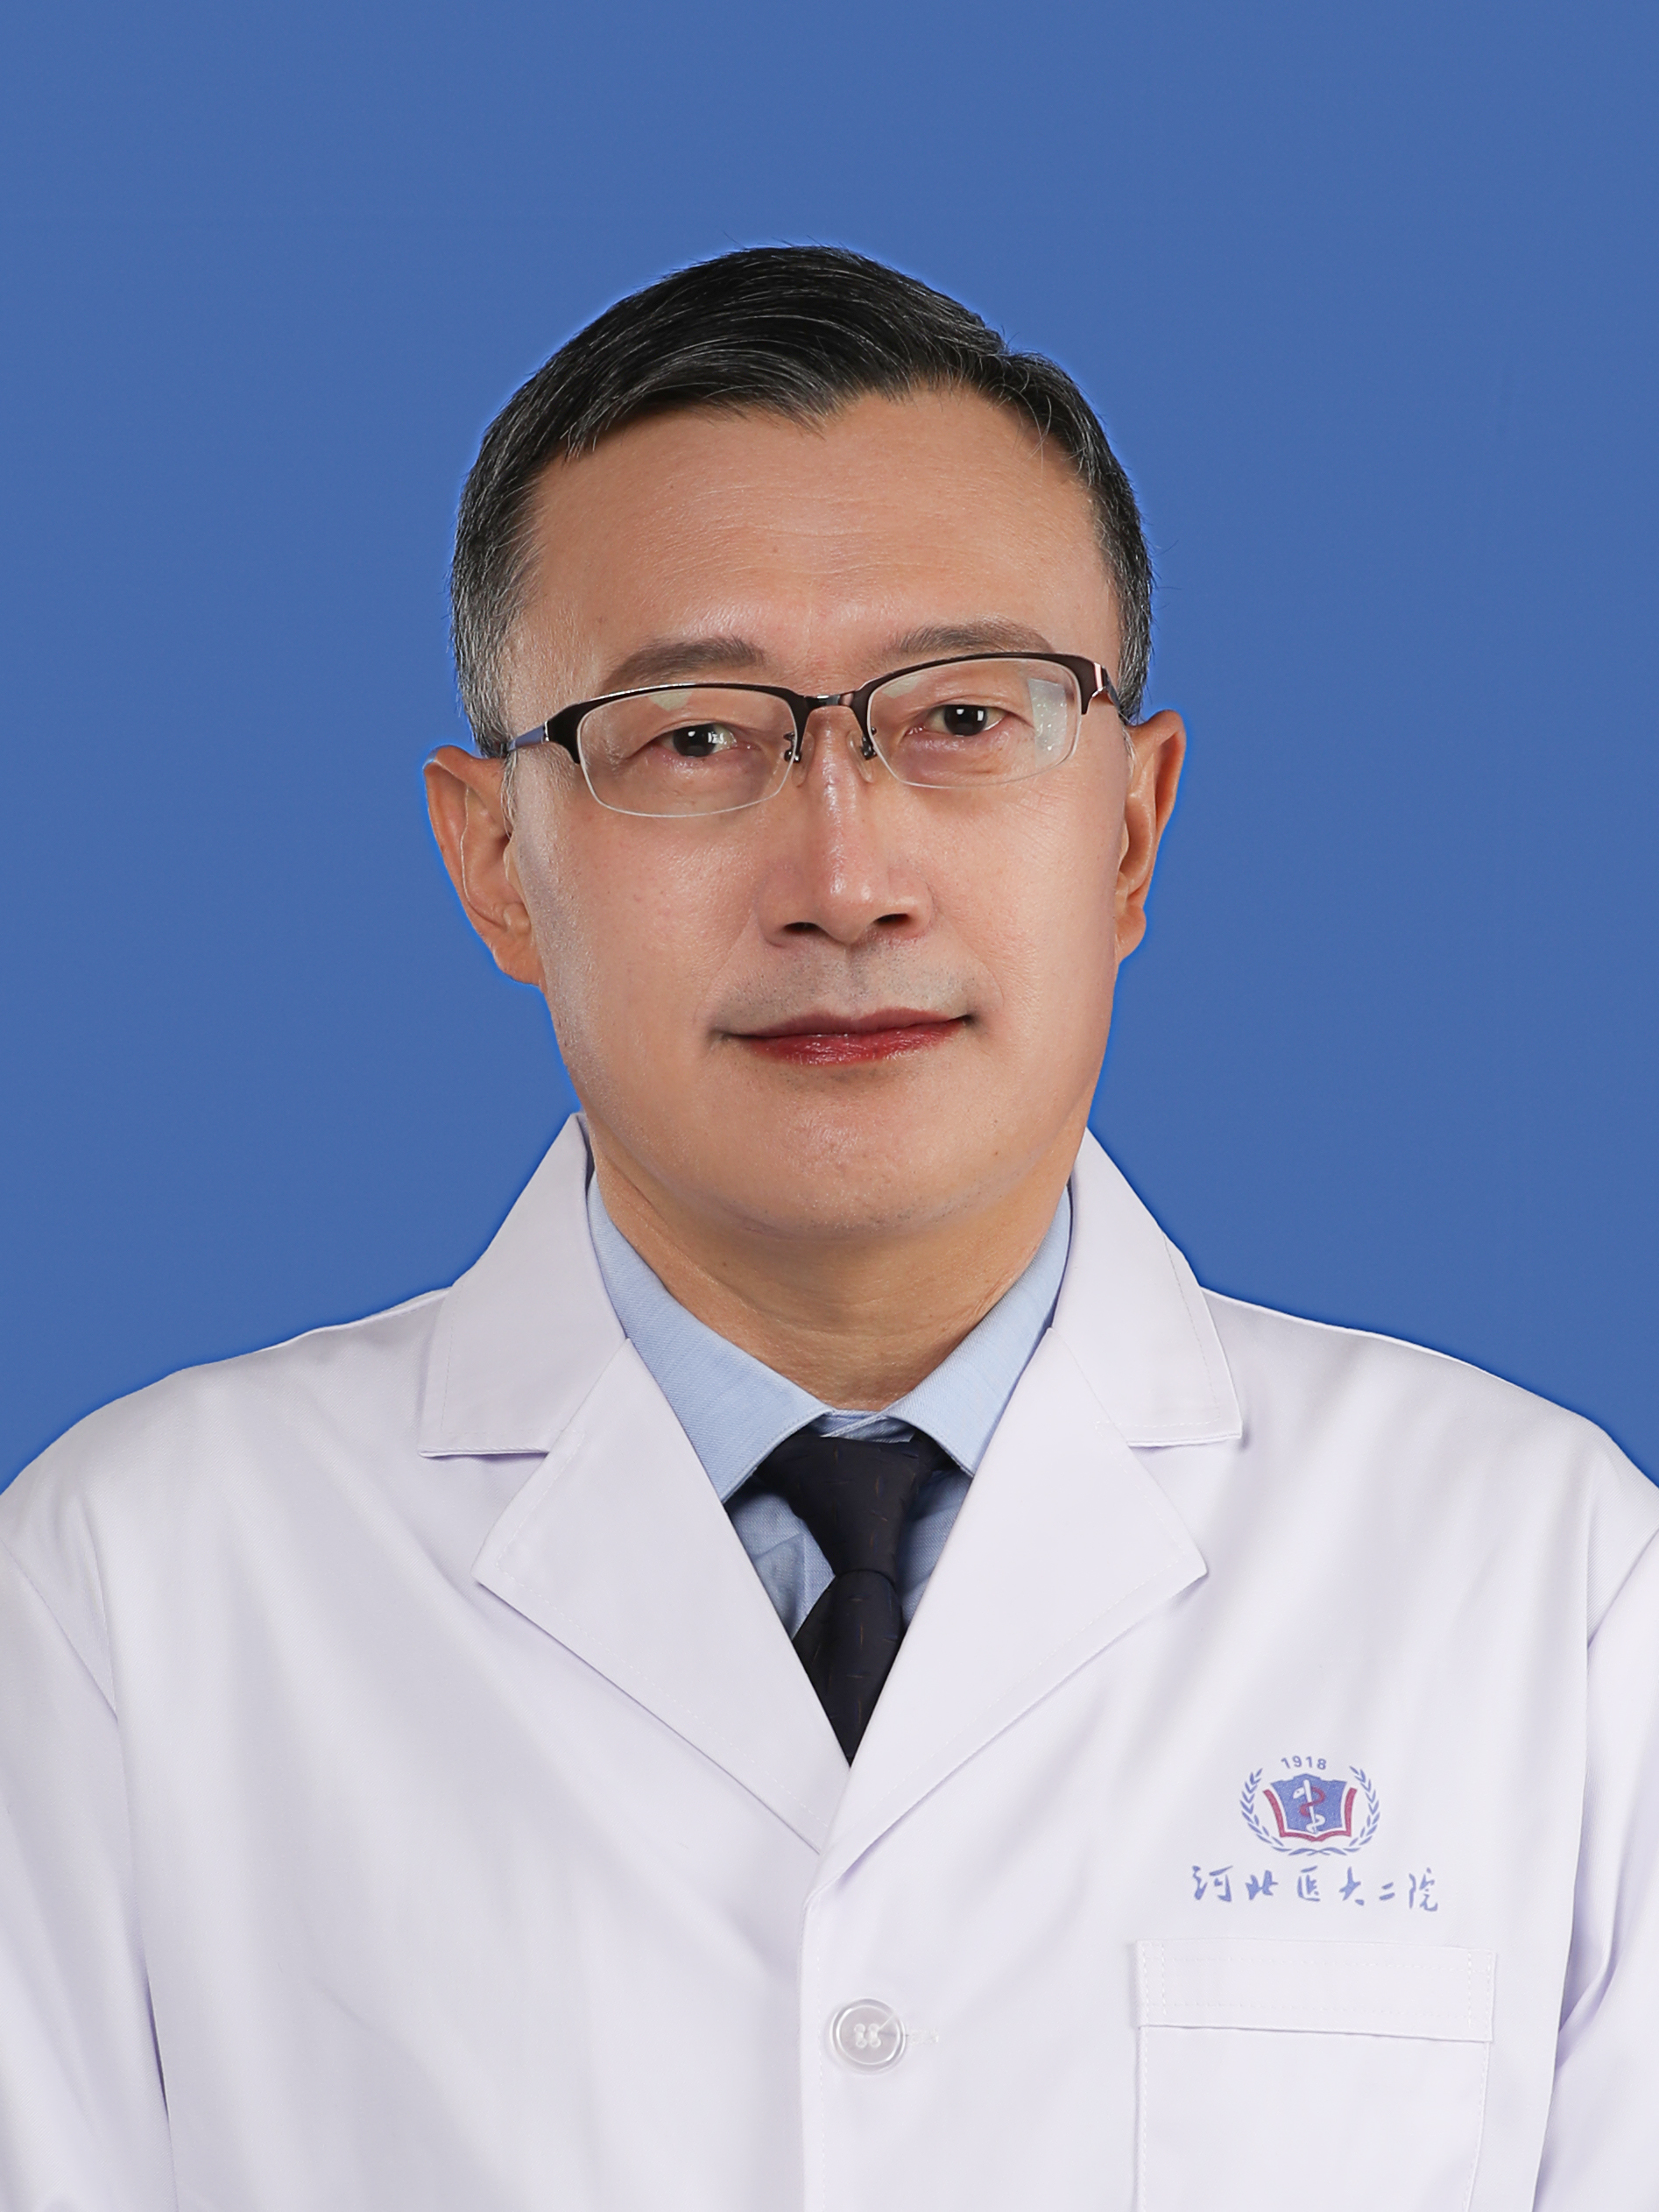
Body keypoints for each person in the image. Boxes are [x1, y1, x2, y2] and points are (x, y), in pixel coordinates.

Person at [0, 247, 1653, 2212]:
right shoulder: (131, 1597)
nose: (845, 877)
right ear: (495, 860)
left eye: (961, 715)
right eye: (694, 737)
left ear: (1129, 831)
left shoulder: (1542, 1586)